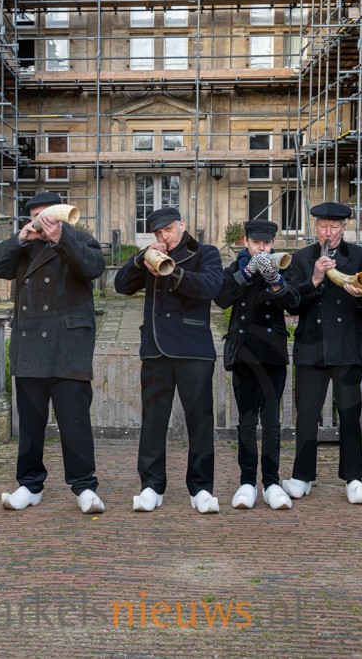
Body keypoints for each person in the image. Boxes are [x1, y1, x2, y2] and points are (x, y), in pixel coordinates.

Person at [0, 192, 106, 514]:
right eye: (34, 216)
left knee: (74, 422)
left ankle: (84, 486)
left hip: (69, 345)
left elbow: (94, 268)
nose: (40, 222)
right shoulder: (25, 245)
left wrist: (61, 239)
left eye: (45, 215)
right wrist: (19, 238)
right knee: (30, 424)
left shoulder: (80, 240)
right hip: (30, 346)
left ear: (61, 214)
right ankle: (29, 485)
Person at [114, 207, 224, 513]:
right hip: (156, 351)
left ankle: (201, 489)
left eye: (169, 229)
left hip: (194, 350)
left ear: (182, 225)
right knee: (153, 422)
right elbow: (121, 286)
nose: (165, 236)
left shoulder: (205, 253)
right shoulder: (150, 256)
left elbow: (211, 287)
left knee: (200, 422)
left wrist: (171, 271)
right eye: (159, 232)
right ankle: (151, 486)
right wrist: (140, 259)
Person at [282, 202, 362, 505]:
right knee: (306, 415)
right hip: (311, 348)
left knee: (350, 415)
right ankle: (302, 476)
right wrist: (315, 278)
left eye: (334, 227)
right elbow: (290, 303)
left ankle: (354, 478)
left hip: (348, 346)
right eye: (323, 227)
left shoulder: (360, 256)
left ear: (344, 227)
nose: (328, 232)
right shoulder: (302, 258)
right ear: (316, 228)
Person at [214, 219, 300, 510]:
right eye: (256, 243)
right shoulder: (235, 268)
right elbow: (222, 299)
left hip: (272, 353)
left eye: (266, 244)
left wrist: (276, 281)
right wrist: (248, 273)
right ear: (246, 243)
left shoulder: (284, 266)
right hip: (244, 353)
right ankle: (247, 481)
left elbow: (295, 303)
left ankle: (272, 482)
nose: (261, 249)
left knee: (272, 421)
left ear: (273, 243)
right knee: (247, 421)